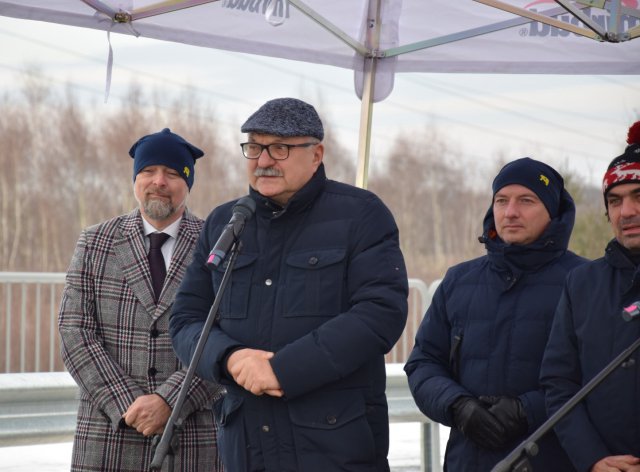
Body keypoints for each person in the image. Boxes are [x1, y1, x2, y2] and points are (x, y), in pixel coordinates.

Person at [169, 97, 408, 472]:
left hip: (334, 444)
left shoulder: (361, 214)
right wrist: (231, 357)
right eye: (254, 147)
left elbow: (380, 313)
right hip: (246, 446)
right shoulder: (224, 224)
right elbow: (185, 320)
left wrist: (284, 369)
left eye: (279, 148)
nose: (263, 161)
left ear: (316, 155)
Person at [404, 157, 586, 471]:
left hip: (554, 459)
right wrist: (458, 406)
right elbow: (423, 363)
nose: (511, 212)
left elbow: (601, 378)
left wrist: (526, 410)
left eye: (526, 200)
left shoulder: (586, 282)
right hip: (468, 460)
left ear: (553, 210)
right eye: (501, 200)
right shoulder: (459, 281)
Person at [58, 128, 224, 471]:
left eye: (173, 173)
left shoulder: (219, 244)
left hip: (191, 434)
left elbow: (227, 332)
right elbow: (75, 333)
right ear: (136, 178)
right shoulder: (95, 242)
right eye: (148, 171)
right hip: (108, 431)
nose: (159, 181)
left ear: (188, 183)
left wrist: (168, 401)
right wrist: (128, 403)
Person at [541, 121, 640, 472]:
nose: (626, 211)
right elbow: (559, 383)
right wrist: (593, 459)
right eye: (615, 201)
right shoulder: (582, 283)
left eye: (638, 196)